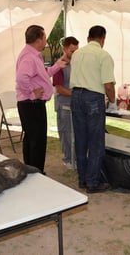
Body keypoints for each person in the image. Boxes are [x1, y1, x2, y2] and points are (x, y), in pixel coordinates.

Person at [70, 25, 116, 193]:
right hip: (93, 98)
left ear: (88, 38)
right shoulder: (103, 55)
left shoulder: (76, 54)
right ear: (103, 39)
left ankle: (83, 179)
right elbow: (108, 85)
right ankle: (92, 182)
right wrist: (113, 101)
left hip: (75, 96)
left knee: (81, 139)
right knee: (96, 142)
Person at [15, 25, 67, 174]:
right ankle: (37, 172)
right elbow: (21, 78)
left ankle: (31, 170)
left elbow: (43, 75)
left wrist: (58, 65)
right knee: (37, 140)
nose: (46, 41)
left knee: (31, 138)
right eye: (44, 38)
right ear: (38, 40)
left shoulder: (32, 54)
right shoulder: (29, 57)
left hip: (30, 104)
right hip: (31, 103)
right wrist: (32, 93)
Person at [52, 36, 79, 170]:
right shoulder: (59, 65)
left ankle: (75, 158)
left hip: (73, 104)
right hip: (63, 104)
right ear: (64, 49)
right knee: (66, 133)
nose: (74, 54)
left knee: (76, 133)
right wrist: (75, 94)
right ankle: (68, 159)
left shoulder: (76, 63)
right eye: (72, 51)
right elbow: (59, 88)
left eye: (76, 51)